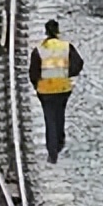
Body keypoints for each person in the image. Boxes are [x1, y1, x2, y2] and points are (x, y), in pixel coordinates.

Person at [28, 19, 84, 164]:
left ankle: (52, 152)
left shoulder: (39, 50)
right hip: (63, 88)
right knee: (60, 114)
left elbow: (33, 72)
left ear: (46, 31)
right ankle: (59, 141)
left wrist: (37, 84)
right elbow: (78, 63)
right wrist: (67, 74)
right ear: (58, 31)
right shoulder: (66, 47)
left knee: (49, 119)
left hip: (45, 90)